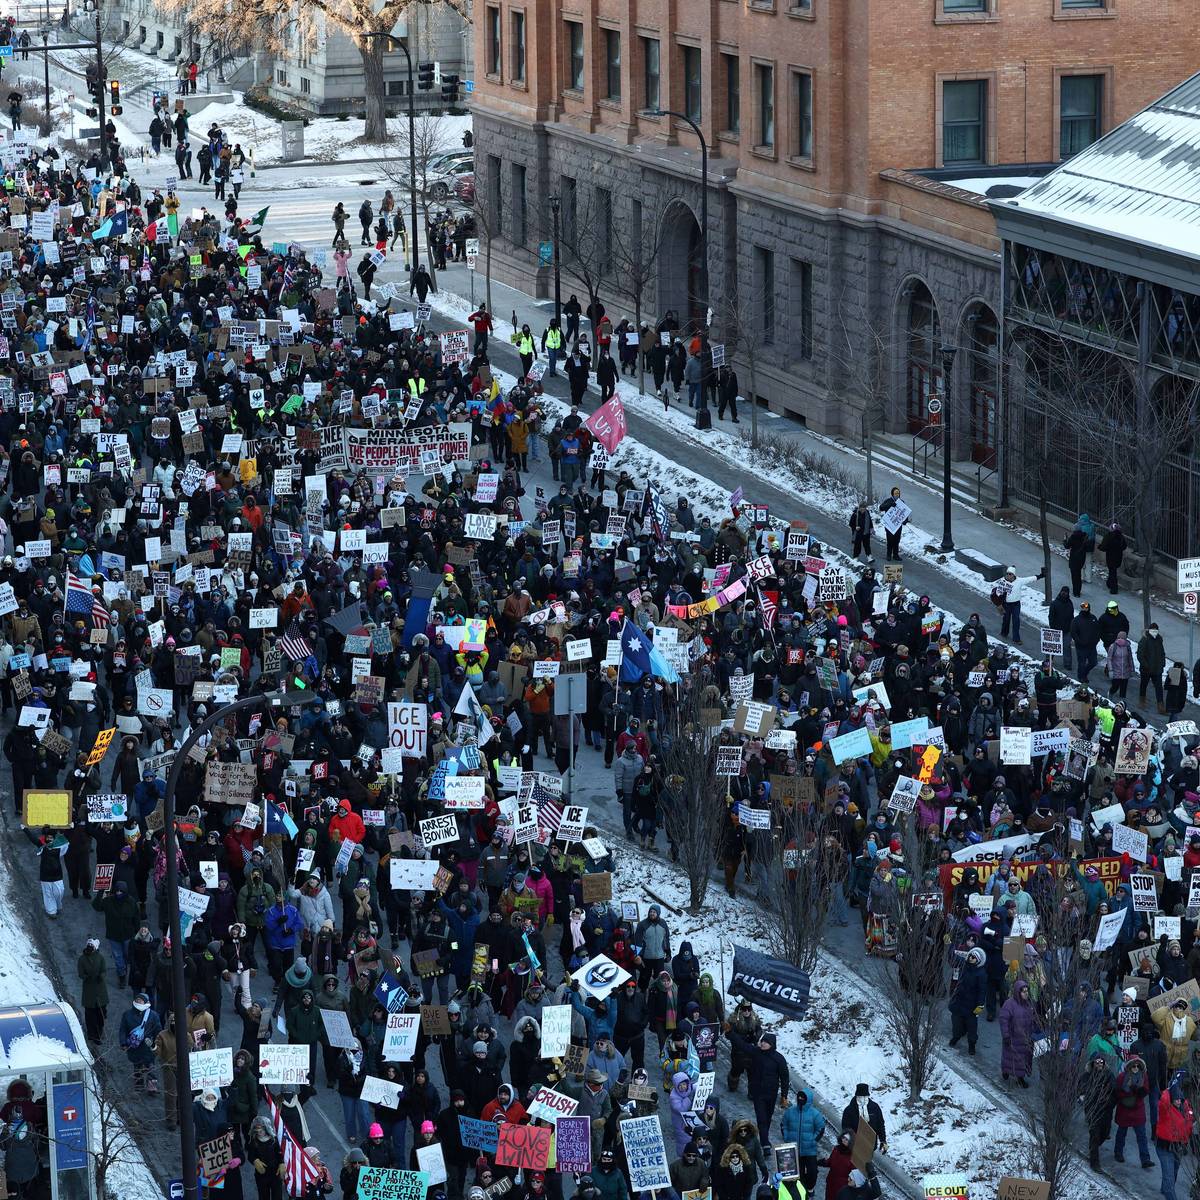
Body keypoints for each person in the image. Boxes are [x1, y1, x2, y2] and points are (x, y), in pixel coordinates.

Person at [878, 488, 906, 561]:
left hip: (898, 525)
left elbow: (904, 512)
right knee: (890, 540)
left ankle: (895, 555)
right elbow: (881, 508)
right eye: (896, 493)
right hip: (890, 525)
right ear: (892, 494)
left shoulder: (901, 502)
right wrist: (890, 505)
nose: (897, 494)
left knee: (897, 540)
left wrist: (905, 520)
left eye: (898, 493)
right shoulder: (889, 501)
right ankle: (889, 555)